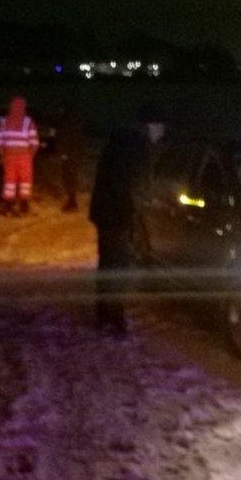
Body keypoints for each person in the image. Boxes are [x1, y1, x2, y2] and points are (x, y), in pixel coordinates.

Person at [89, 105, 166, 334]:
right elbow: (129, 184)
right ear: (150, 125)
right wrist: (136, 212)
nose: (161, 133)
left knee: (108, 264)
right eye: (160, 127)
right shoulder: (135, 145)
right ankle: (114, 317)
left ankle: (106, 315)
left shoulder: (123, 139)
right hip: (118, 215)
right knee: (118, 265)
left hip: (107, 212)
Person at [0, 96, 39, 216]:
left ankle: (9, 205)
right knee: (25, 180)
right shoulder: (28, 122)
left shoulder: (3, 121)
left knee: (9, 181)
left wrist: (3, 155)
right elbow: (34, 143)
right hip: (25, 156)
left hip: (9, 156)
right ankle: (24, 204)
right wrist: (30, 156)